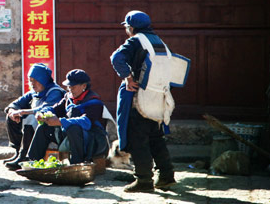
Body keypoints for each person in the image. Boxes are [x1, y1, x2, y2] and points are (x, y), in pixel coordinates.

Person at [110, 10, 176, 192]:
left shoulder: (135, 40)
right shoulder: (159, 42)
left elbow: (116, 58)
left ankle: (144, 180)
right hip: (158, 100)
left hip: (139, 100)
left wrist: (128, 78)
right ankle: (166, 175)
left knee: (138, 140)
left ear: (131, 27)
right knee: (156, 138)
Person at [28, 69, 109, 165]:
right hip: (69, 135)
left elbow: (86, 122)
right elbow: (55, 108)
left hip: (91, 140)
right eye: (69, 86)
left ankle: (77, 163)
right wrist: (42, 113)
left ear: (84, 86)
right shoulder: (69, 97)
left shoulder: (94, 102)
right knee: (43, 127)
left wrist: (60, 122)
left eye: (73, 87)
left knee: (73, 128)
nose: (70, 89)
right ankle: (33, 161)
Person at [3, 63, 65, 170]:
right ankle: (18, 152)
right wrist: (12, 111)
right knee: (11, 116)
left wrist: (23, 112)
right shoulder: (34, 92)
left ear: (44, 79)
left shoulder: (55, 92)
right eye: (30, 80)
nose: (32, 83)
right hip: (37, 125)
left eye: (35, 80)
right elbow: (15, 104)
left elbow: (46, 109)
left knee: (30, 119)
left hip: (51, 128)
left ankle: (24, 156)